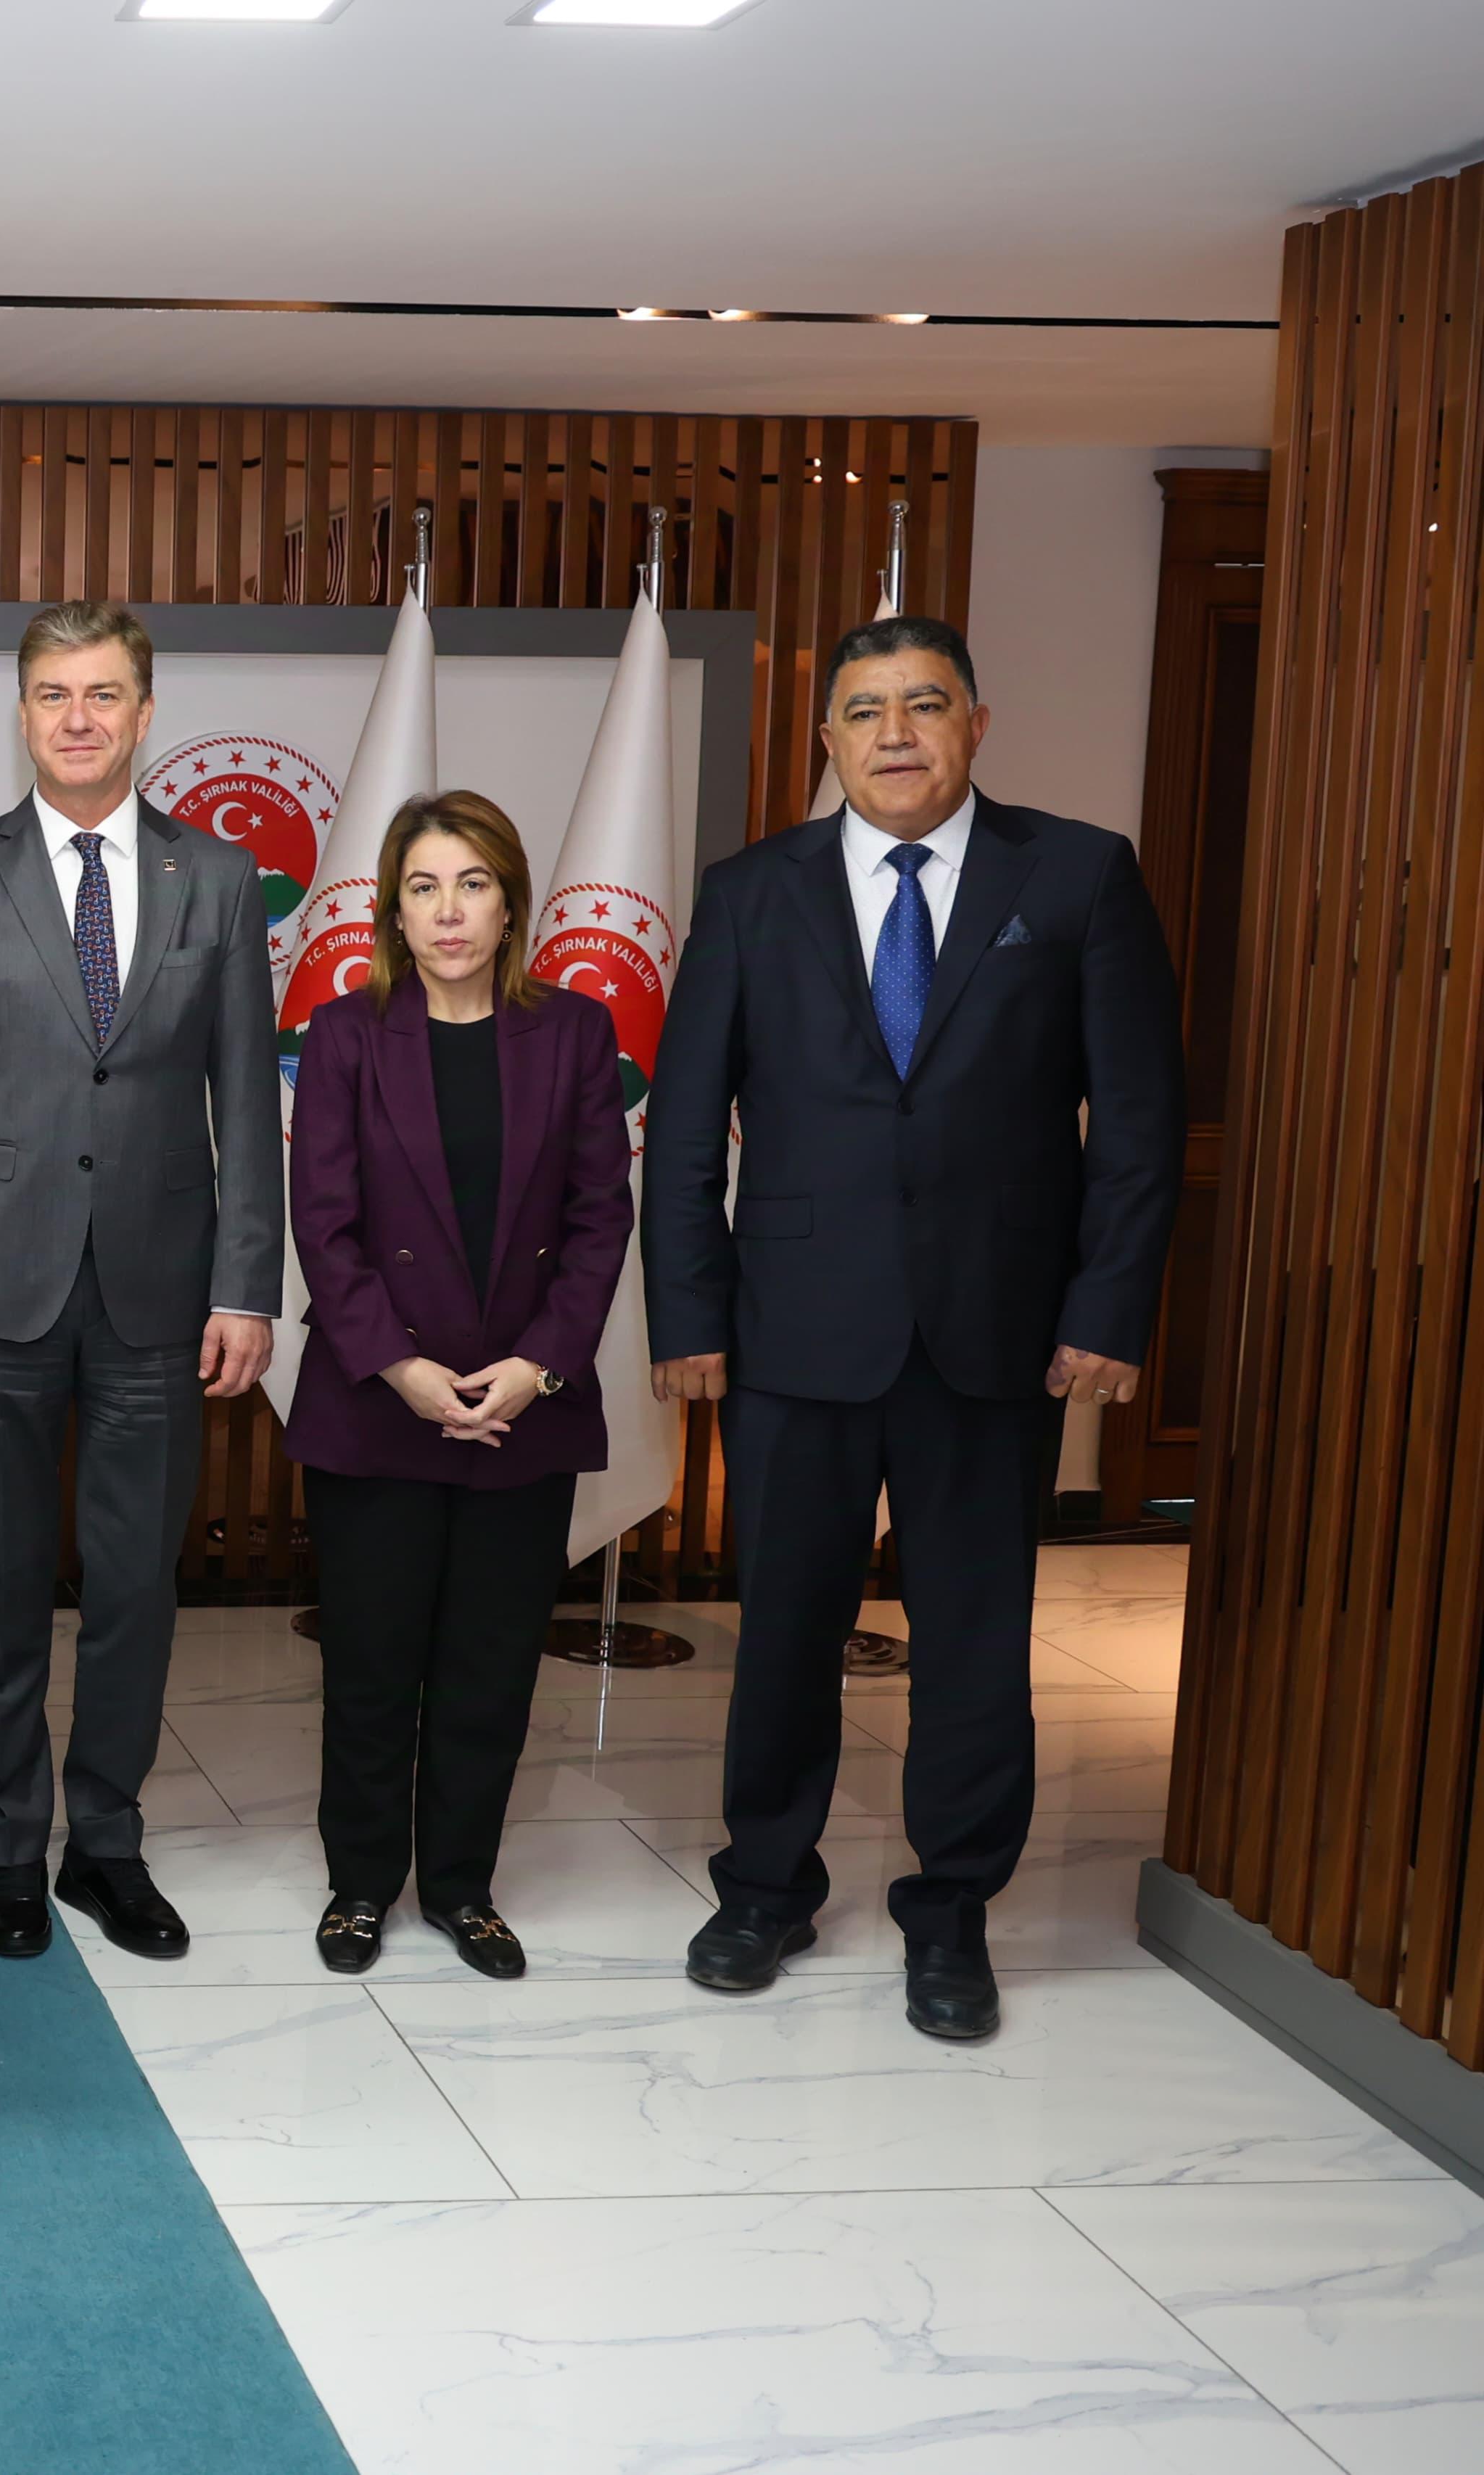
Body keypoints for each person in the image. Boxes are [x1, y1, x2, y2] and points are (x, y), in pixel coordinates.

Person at [644, 614, 1184, 2040]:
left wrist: (1107, 1307)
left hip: (996, 1338)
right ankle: (762, 1882)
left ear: (975, 724)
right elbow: (687, 1122)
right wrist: (687, 1310)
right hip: (791, 1336)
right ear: (824, 737)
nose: (893, 731)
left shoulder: (1071, 875)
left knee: (971, 1637)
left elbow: (1134, 1120)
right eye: (862, 709)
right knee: (782, 1632)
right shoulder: (752, 889)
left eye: (923, 704)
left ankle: (950, 1906)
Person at [0, 601, 282, 1962]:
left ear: (146, 711)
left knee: (133, 1588)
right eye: (52, 693)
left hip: (163, 1295)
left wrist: (248, 1286)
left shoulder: (216, 880)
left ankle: (105, 1843)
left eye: (104, 693)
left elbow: (246, 1099)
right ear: (23, 711)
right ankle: (8, 1848)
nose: (78, 718)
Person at [280, 792, 634, 1981]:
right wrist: (406, 1369)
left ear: (511, 900)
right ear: (392, 906)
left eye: (472, 883)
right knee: (374, 1665)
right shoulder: (344, 1035)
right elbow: (323, 1226)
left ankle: (465, 1887)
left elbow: (599, 1223)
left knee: (489, 1666)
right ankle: (361, 1885)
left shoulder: (576, 1035)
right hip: (380, 1399)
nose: (449, 911)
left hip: (525, 1406)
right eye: (425, 886)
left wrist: (535, 1368)